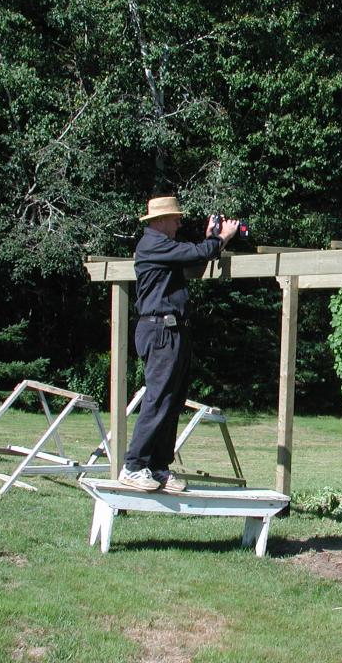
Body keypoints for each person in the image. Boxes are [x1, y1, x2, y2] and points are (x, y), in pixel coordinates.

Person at [119, 195, 239, 491]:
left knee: (172, 400)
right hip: (160, 330)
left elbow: (195, 253)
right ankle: (133, 466)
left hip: (172, 331)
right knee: (158, 398)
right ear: (159, 222)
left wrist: (212, 239)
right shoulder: (152, 243)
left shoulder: (163, 246)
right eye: (175, 218)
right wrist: (223, 237)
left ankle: (158, 466)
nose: (179, 222)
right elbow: (194, 254)